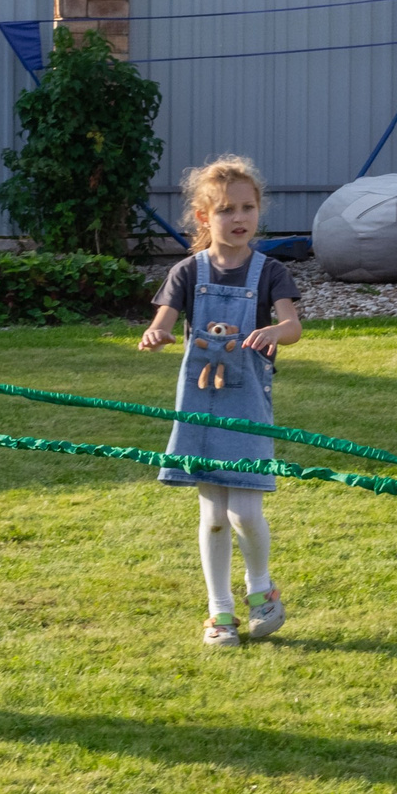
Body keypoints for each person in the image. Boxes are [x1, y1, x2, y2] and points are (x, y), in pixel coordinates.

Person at [138, 156, 303, 647]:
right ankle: (220, 613)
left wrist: (275, 330)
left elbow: (292, 326)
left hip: (249, 403)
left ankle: (262, 592)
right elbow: (163, 322)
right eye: (227, 209)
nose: (239, 218)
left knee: (244, 514)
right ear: (203, 217)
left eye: (248, 207)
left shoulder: (270, 272)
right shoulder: (187, 272)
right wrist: (156, 335)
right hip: (200, 406)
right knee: (212, 517)